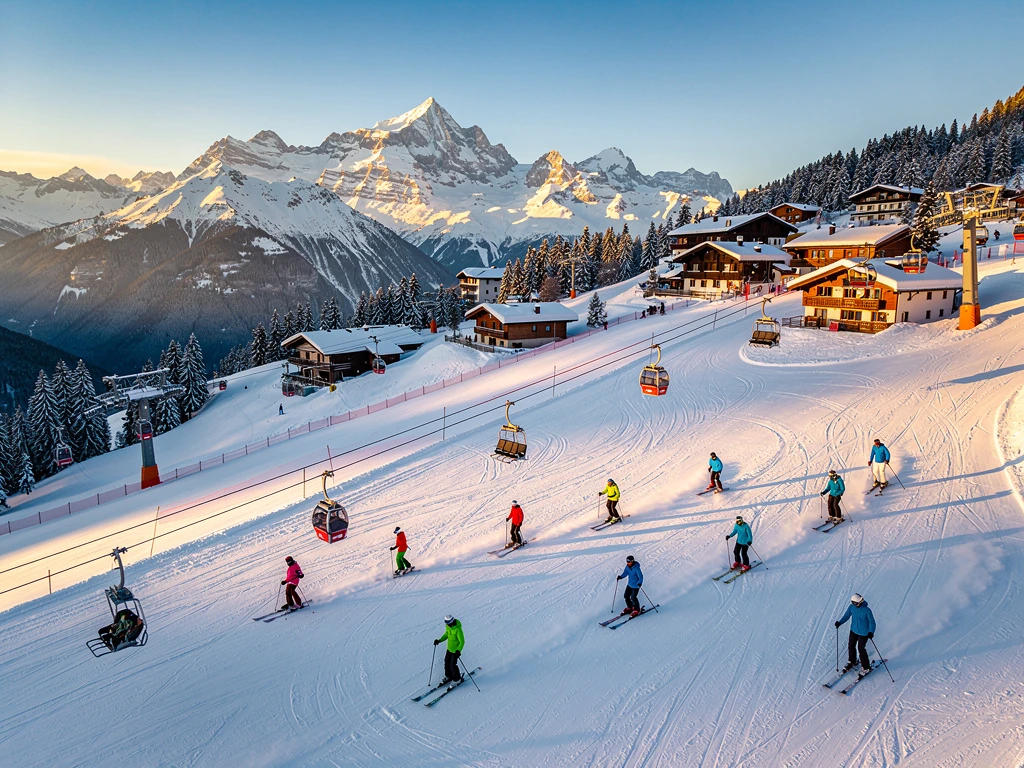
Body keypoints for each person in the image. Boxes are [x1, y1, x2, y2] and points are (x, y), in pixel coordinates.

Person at [835, 593, 877, 673]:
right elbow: (846, 616)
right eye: (857, 603)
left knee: (861, 649)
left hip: (864, 633)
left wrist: (871, 632)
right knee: (851, 645)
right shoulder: (851, 608)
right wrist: (840, 622)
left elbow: (872, 622)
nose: (858, 604)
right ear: (853, 602)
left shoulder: (867, 610)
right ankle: (852, 661)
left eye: (860, 602)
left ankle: (866, 667)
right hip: (853, 630)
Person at [433, 615, 465, 685]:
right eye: (447, 623)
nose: (448, 624)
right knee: (446, 662)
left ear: (452, 621)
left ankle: (457, 679)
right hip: (449, 649)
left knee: (452, 665)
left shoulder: (458, 629)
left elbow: (462, 641)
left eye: (449, 622)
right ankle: (448, 676)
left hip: (455, 651)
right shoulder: (448, 627)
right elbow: (447, 634)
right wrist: (439, 640)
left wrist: (458, 651)